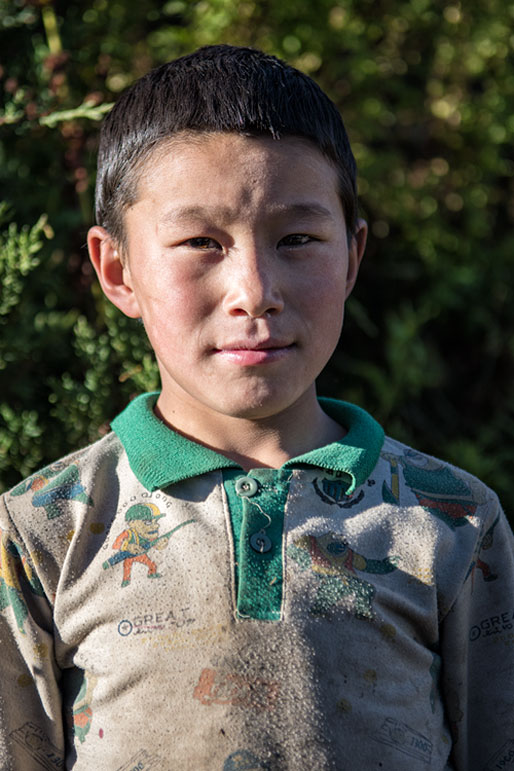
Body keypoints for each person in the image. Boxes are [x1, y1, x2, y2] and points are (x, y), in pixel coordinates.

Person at [0, 45, 512, 771]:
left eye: (297, 239)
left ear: (353, 258)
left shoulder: (453, 522)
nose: (255, 289)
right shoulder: (44, 529)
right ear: (118, 271)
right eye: (201, 242)